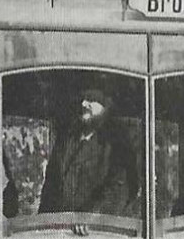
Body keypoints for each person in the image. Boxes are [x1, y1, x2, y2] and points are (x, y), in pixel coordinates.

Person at [39, 87, 138, 216]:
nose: (84, 104)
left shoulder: (114, 146)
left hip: (96, 230)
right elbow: (50, 187)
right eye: (83, 100)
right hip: (59, 228)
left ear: (105, 108)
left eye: (91, 100)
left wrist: (91, 216)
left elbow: (119, 188)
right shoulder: (65, 142)